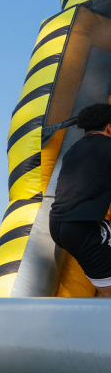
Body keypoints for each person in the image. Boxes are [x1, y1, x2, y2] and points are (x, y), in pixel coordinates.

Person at [49, 103, 111, 296]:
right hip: (81, 228)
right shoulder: (108, 146)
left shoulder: (74, 150)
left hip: (59, 225)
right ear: (109, 127)